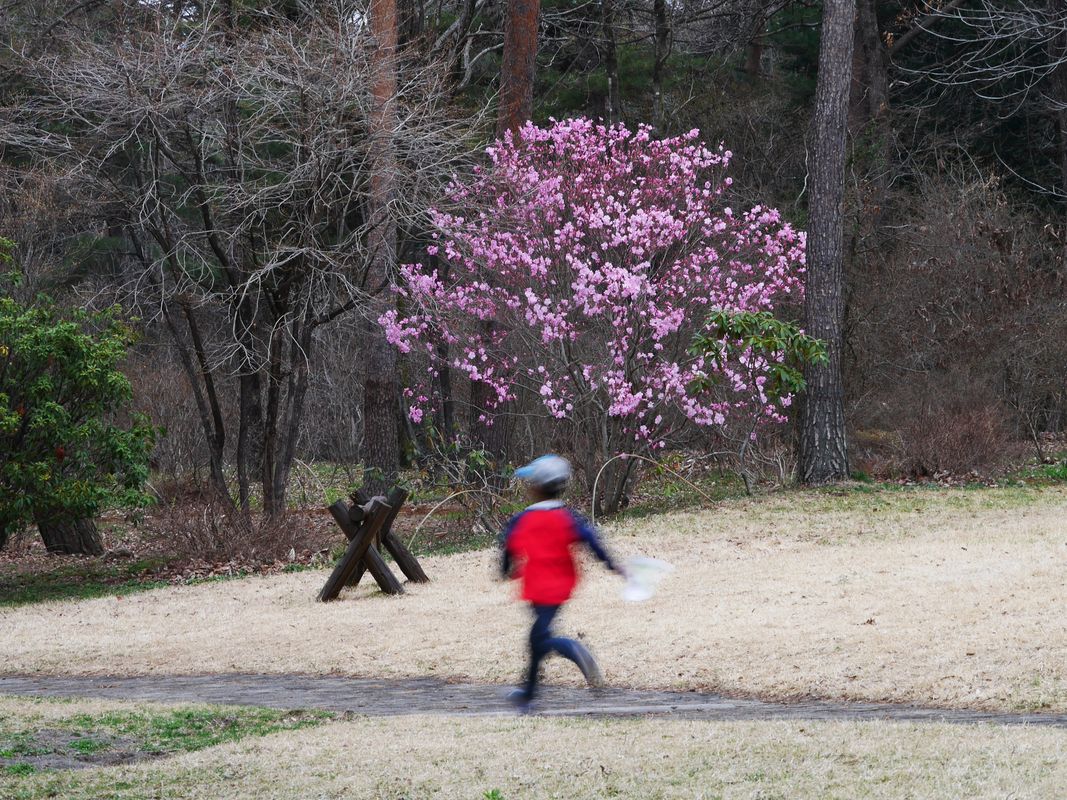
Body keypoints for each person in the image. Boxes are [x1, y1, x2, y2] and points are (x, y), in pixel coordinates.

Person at [501, 454, 624, 713]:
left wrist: (504, 568)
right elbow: (591, 540)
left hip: (538, 586)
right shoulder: (568, 517)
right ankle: (529, 693)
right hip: (562, 585)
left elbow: (508, 545)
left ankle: (572, 648)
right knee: (537, 638)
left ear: (535, 488)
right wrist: (612, 565)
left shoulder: (523, 519)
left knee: (540, 640)